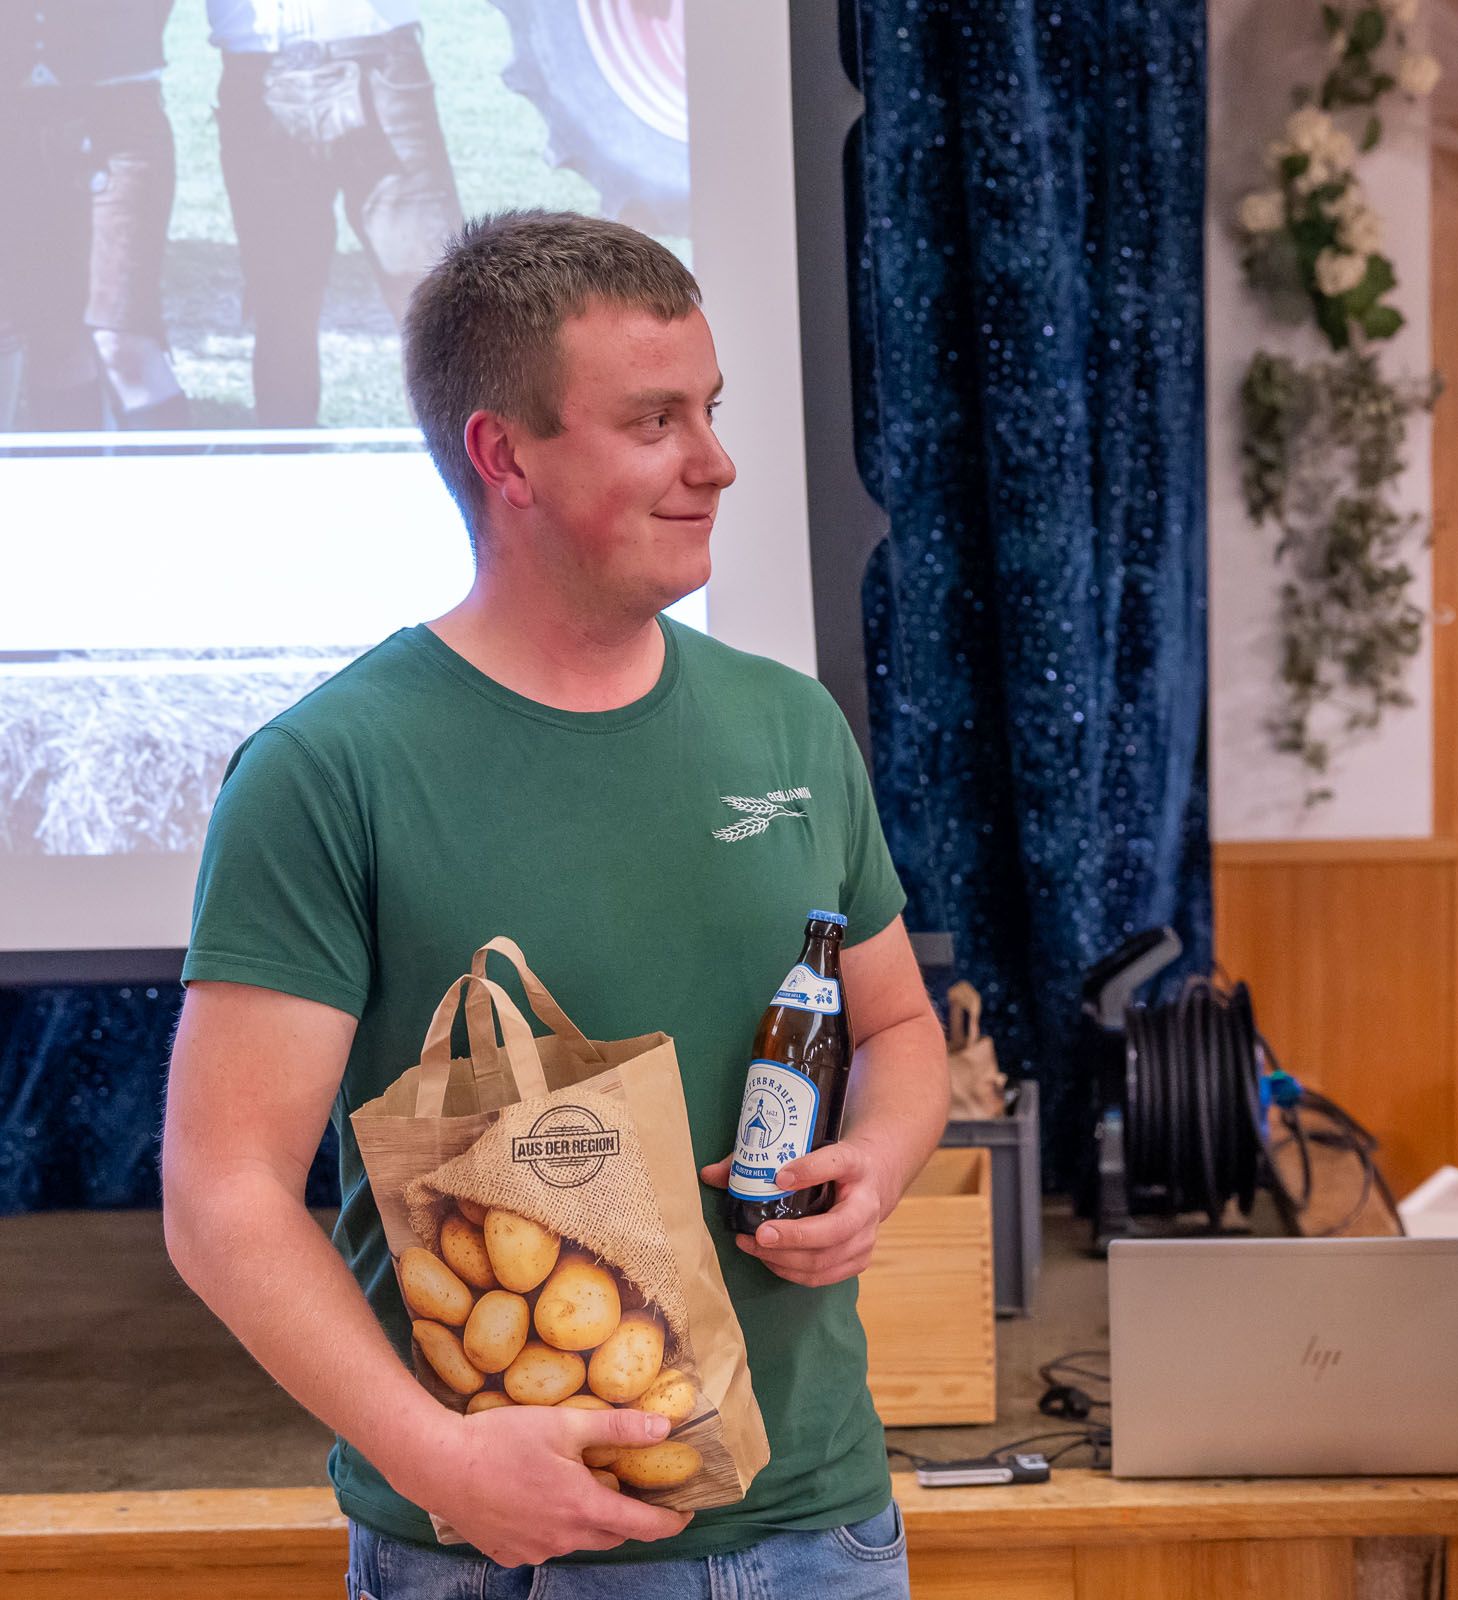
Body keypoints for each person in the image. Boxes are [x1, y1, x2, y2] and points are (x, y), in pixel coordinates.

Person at [163, 209, 949, 1595]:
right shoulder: (327, 770)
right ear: (503, 454)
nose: (715, 461)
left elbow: (896, 1027)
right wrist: (436, 1457)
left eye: (710, 410)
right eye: (653, 421)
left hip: (823, 1530)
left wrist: (877, 1161)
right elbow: (221, 1194)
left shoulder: (790, 726)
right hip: (500, 1557)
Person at [205, 0, 465, 426]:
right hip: (258, 67)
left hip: (376, 49)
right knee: (281, 302)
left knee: (430, 293)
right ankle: (286, 463)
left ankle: (454, 462)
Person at [0, 0, 191, 430]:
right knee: (54, 338)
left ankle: (178, 475)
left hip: (118, 118)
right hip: (16, 121)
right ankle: (75, 475)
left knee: (122, 337)